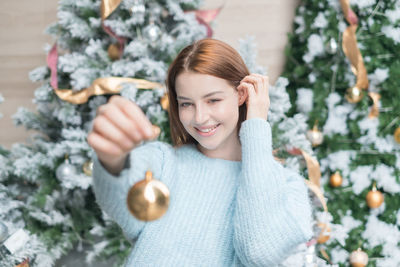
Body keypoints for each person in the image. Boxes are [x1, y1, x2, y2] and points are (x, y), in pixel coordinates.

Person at [87, 38, 313, 266]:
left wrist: (256, 124)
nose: (199, 118)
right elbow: (121, 202)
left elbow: (260, 252)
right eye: (186, 104)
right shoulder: (163, 161)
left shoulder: (289, 188)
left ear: (242, 95)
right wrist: (112, 159)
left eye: (213, 100)